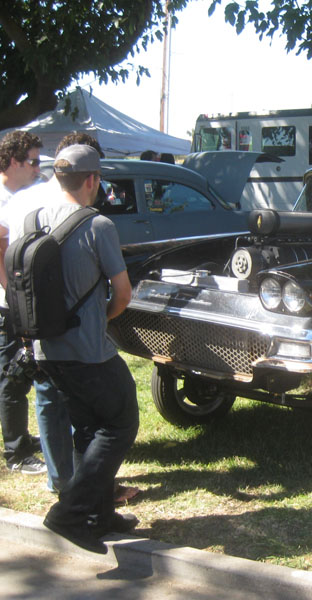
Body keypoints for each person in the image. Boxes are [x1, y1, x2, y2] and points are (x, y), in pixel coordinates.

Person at [35, 145, 139, 554]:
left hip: (48, 349)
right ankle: (71, 513)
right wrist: (103, 320)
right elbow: (123, 294)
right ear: (92, 180)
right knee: (120, 422)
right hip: (88, 350)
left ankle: (98, 515)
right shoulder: (98, 226)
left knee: (88, 430)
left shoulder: (34, 218)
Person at [0, 130, 48, 476]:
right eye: (32, 162)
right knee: (11, 374)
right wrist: (13, 296)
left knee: (18, 370)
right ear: (13, 161)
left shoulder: (19, 196)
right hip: (7, 303)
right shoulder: (3, 200)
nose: (37, 169)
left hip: (15, 300)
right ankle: (15, 452)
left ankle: (19, 436)